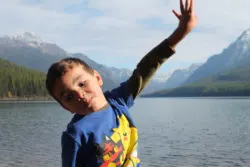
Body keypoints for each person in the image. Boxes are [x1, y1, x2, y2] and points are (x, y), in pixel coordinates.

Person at [46, 0, 197, 166]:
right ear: (65, 107)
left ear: (97, 78)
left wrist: (180, 33)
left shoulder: (118, 101)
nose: (79, 95)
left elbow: (145, 68)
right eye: (68, 97)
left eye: (82, 84)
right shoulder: (75, 134)